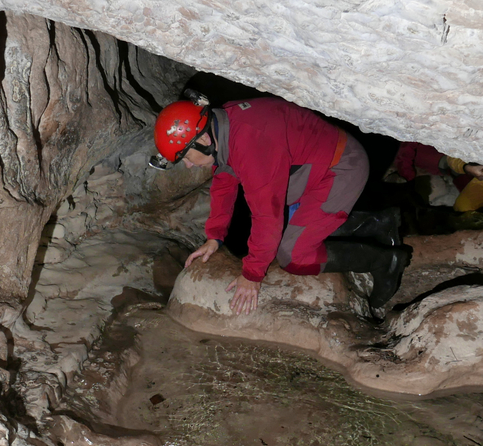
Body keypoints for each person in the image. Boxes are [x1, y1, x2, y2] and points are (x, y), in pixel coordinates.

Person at [153, 93, 410, 317]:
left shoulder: (250, 142)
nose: (189, 165)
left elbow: (267, 216)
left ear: (204, 141)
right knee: (277, 229)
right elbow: (224, 180)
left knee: (293, 255)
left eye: (186, 157)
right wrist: (214, 236)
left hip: (341, 168)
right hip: (314, 164)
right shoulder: (222, 125)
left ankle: (383, 261)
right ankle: (378, 224)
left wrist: (252, 275)